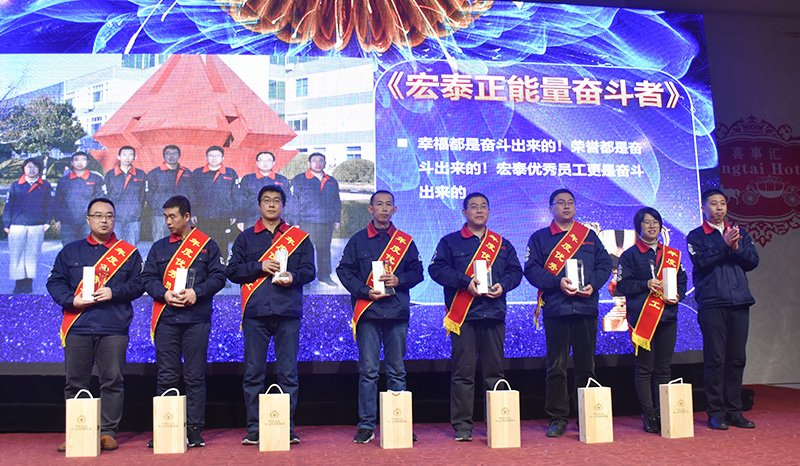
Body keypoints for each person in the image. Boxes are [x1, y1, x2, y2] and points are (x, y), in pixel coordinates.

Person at [46, 198, 144, 452]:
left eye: (109, 216)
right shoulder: (70, 251)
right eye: (98, 215)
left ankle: (108, 431)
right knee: (75, 382)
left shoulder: (129, 253)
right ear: (88, 219)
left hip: (113, 326)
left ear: (114, 220)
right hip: (78, 325)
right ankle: (77, 431)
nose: (104, 220)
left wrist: (114, 292)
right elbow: (55, 282)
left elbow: (139, 284)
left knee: (112, 381)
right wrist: (72, 300)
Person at [428, 192, 523, 441]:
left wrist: (503, 285)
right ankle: (462, 426)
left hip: (493, 314)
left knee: (495, 373)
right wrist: (464, 282)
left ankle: (497, 423)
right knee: (463, 373)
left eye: (483, 207)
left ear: (489, 211)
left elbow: (515, 272)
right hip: (464, 317)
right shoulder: (450, 242)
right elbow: (436, 269)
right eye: (473, 207)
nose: (479, 211)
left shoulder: (502, 244)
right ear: (464, 212)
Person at [226, 185, 315, 446]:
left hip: (288, 311)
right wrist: (259, 266)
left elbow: (309, 271)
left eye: (277, 200)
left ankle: (286, 427)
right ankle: (254, 428)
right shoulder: (246, 238)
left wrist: (293, 276)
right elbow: (232, 271)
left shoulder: (299, 238)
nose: (272, 204)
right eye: (266, 200)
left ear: (283, 205)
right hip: (255, 313)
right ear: (259, 205)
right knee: (253, 373)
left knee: (288, 374)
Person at [336, 190, 424, 444]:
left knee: (397, 371)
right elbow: (344, 271)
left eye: (388, 205)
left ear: (394, 210)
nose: (384, 209)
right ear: (370, 209)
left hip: (397, 312)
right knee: (369, 371)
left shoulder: (404, 241)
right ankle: (366, 425)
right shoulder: (358, 240)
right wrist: (364, 291)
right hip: (369, 312)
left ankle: (399, 422)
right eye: (379, 204)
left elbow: (418, 272)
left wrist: (399, 279)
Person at [523, 188, 612, 438]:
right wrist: (556, 283)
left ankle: (587, 415)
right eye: (560, 203)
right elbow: (531, 269)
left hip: (585, 307)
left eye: (570, 202)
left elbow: (605, 264)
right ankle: (557, 417)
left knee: (586, 365)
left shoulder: (588, 235)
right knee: (557, 366)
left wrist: (593, 284)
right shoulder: (540, 238)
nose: (566, 206)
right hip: (557, 308)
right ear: (550, 208)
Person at [141, 195, 226, 448]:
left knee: (194, 376)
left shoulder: (207, 245)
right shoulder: (159, 247)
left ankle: (194, 430)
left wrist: (196, 292)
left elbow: (219, 277)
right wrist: (164, 294)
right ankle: (165, 427)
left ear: (187, 217)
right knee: (166, 376)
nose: (168, 221)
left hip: (196, 319)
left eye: (173, 216)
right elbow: (147, 278)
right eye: (165, 217)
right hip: (167, 318)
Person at [687, 189, 759, 430]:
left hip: (739, 301)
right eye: (713, 204)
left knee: (737, 359)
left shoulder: (739, 232)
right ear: (703, 208)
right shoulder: (696, 236)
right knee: (715, 359)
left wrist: (736, 248)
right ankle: (716, 412)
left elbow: (753, 261)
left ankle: (734, 411)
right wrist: (724, 245)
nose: (719, 208)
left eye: (722, 203)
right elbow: (701, 262)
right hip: (712, 303)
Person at [617, 207, 687, 433]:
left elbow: (682, 281)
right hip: (643, 319)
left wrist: (678, 295)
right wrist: (645, 284)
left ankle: (662, 411)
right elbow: (622, 285)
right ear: (638, 227)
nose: (652, 226)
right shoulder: (629, 255)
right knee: (644, 368)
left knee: (664, 368)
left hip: (667, 316)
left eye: (655, 221)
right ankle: (648, 414)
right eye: (646, 222)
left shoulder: (672, 254)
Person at [289, 152, 341, 287]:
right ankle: (304, 278)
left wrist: (337, 220)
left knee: (324, 250)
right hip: (306, 222)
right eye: (314, 161)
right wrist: (295, 222)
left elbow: (336, 201)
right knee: (306, 251)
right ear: (308, 163)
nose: (318, 163)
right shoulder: (299, 179)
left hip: (325, 221)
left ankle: (324, 276)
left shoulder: (331, 181)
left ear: (325, 163)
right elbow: (293, 202)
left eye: (321, 161)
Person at [3, 157, 52, 294]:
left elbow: (49, 205)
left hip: (37, 225)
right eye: (28, 167)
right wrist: (6, 223)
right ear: (24, 169)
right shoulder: (16, 185)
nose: (31, 169)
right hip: (17, 224)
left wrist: (47, 222)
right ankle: (19, 283)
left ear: (39, 169)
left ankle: (28, 283)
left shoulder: (45, 185)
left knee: (32, 255)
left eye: (35, 167)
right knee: (16, 254)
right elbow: (9, 205)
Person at [192, 145, 239, 251]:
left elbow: (235, 195)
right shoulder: (197, 173)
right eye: (211, 155)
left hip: (223, 216)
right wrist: (193, 212)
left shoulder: (230, 173)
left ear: (222, 158)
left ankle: (221, 261)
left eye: (217, 155)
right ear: (206, 157)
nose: (214, 158)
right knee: (202, 245)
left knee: (222, 244)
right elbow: (192, 194)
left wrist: (234, 214)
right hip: (202, 216)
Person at [54, 152, 105, 246]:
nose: (80, 162)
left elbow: (101, 200)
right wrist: (57, 219)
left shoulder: (96, 179)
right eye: (77, 160)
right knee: (69, 249)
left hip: (89, 222)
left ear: (88, 162)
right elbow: (57, 201)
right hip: (67, 222)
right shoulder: (64, 180)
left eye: (83, 159)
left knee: (89, 248)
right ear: (72, 163)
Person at [146, 145, 193, 242]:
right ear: (163, 156)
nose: (171, 156)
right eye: (168, 154)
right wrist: (157, 207)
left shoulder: (187, 172)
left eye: (174, 153)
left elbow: (191, 192)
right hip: (161, 215)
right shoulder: (154, 173)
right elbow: (149, 195)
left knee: (182, 243)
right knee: (160, 242)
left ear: (179, 156)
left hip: (181, 215)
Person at [103, 146, 146, 245]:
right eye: (124, 155)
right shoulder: (110, 175)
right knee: (114, 248)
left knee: (131, 248)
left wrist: (137, 209)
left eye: (130, 155)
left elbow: (143, 196)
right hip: (115, 219)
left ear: (135, 157)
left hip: (134, 219)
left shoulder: (141, 174)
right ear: (118, 157)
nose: (127, 158)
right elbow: (105, 196)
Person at [238, 151, 289, 228]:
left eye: (268, 160)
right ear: (257, 163)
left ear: (274, 163)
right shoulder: (247, 179)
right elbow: (242, 200)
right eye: (261, 160)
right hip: (252, 220)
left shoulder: (282, 180)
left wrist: (288, 219)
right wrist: (240, 219)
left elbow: (288, 201)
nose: (265, 163)